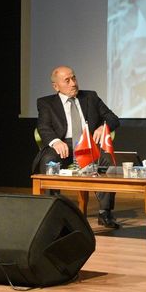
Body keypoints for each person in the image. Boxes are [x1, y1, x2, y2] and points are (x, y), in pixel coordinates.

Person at [32, 66, 122, 229]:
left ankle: (105, 212)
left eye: (74, 78)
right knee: (48, 160)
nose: (73, 83)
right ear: (56, 86)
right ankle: (52, 210)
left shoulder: (90, 97)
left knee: (107, 160)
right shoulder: (46, 103)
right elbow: (43, 127)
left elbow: (113, 118)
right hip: (63, 144)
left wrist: (104, 126)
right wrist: (54, 141)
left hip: (87, 144)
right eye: (67, 80)